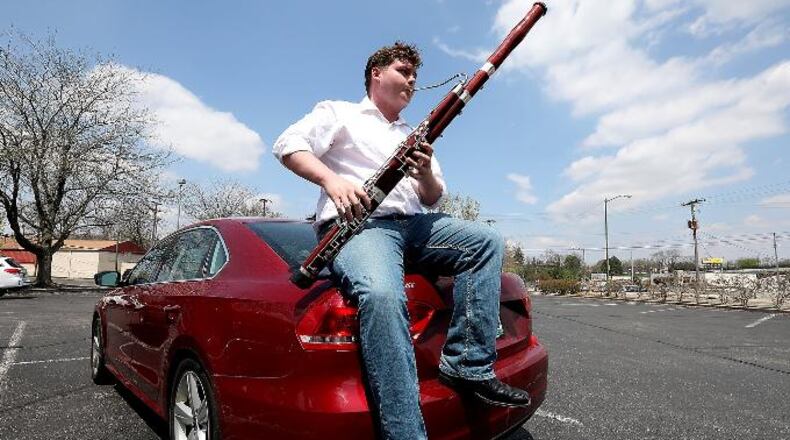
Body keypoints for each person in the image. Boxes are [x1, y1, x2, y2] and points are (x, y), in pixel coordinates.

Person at [273, 41, 530, 440]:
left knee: (485, 241)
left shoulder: (416, 132)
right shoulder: (338, 112)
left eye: (414, 75)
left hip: (414, 224)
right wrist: (331, 179)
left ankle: (468, 364)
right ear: (376, 73)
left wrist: (424, 171)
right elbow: (287, 145)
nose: (411, 80)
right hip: (362, 226)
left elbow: (432, 196)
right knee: (381, 294)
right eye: (402, 71)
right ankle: (405, 433)